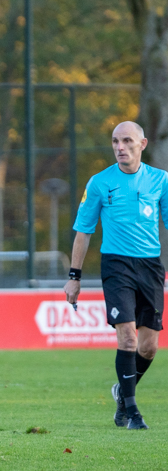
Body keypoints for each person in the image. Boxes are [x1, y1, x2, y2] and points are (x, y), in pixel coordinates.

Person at [65, 121, 168, 430]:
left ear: (143, 144)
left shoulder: (160, 180)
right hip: (116, 266)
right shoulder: (99, 183)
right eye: (115, 141)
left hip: (150, 266)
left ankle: (122, 392)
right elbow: (83, 232)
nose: (119, 147)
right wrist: (74, 276)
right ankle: (132, 413)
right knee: (127, 337)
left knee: (148, 346)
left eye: (126, 141)